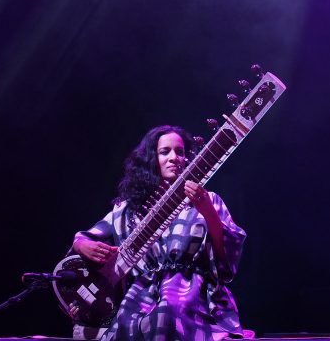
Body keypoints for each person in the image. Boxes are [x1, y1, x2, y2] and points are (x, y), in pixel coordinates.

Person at [70, 125, 246, 341]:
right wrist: (80, 243)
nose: (174, 158)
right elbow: (86, 238)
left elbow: (226, 264)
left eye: (180, 152)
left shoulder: (208, 201)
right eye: (165, 152)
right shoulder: (127, 211)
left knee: (167, 312)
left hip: (194, 302)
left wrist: (208, 212)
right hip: (138, 302)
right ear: (151, 159)